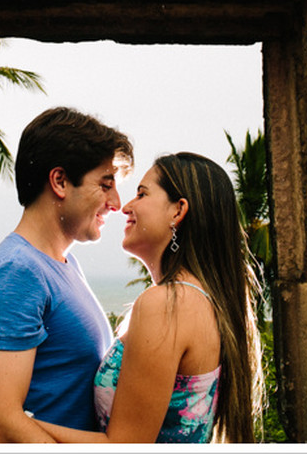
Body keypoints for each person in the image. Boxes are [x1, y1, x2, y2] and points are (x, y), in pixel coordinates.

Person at [33, 152, 263, 444]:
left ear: (178, 211)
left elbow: (123, 446)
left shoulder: (168, 304)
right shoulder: (198, 300)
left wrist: (17, 422)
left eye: (142, 194)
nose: (126, 206)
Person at [0, 106, 133, 443]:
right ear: (60, 181)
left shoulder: (63, 265)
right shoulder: (14, 273)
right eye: (105, 184)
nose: (116, 203)